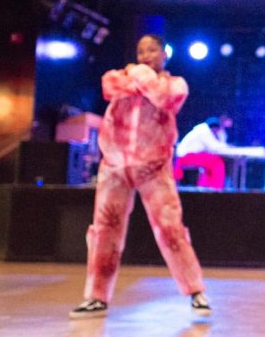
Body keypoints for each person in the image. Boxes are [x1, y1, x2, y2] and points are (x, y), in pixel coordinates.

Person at [69, 34, 211, 319]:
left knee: (171, 229)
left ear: (164, 55)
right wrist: (138, 79)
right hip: (115, 166)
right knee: (104, 231)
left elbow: (163, 97)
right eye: (140, 51)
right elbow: (110, 86)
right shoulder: (119, 77)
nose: (145, 55)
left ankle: (196, 291)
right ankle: (96, 297)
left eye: (152, 50)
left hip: (153, 167)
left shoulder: (175, 85)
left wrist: (138, 74)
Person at [175, 115, 232, 190]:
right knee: (217, 161)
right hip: (185, 157)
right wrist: (227, 144)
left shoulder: (202, 130)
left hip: (189, 156)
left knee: (211, 161)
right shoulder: (203, 132)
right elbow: (215, 148)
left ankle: (205, 186)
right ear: (214, 128)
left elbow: (214, 147)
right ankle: (217, 189)